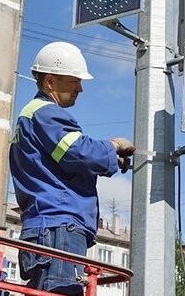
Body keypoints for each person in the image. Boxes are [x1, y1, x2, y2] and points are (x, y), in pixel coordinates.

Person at [9, 41, 135, 295]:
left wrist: (105, 159)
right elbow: (78, 152)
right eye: (74, 80)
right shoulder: (47, 113)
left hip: (49, 226)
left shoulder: (34, 117)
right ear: (50, 81)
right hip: (58, 226)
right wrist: (112, 146)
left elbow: (65, 161)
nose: (80, 88)